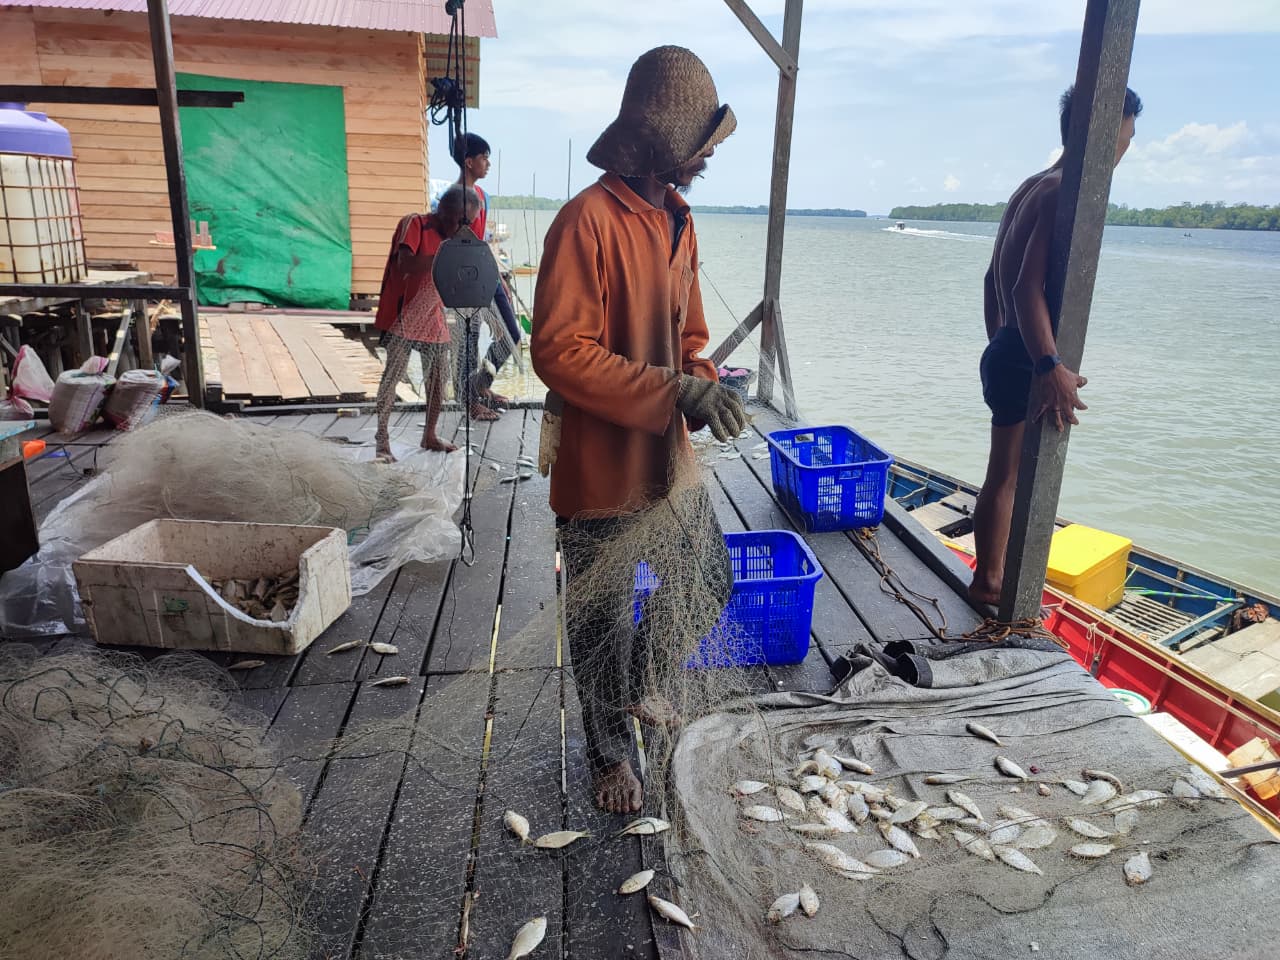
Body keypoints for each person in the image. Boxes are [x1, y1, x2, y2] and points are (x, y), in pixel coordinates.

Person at [531, 46, 748, 814]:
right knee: (598, 619)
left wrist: (708, 385)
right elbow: (559, 352)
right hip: (598, 467)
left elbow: (691, 338)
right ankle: (606, 756)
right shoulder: (585, 222)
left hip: (668, 457)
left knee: (711, 578)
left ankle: (639, 688)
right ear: (662, 144)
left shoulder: (680, 221)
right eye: (700, 147)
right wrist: (673, 389)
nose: (705, 160)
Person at [969, 85, 1142, 606]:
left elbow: (990, 279)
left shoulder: (1033, 184)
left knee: (1005, 473)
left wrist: (1002, 344)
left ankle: (993, 578)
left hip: (1007, 347)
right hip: (1025, 357)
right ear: (1106, 131)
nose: (1127, 147)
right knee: (1007, 477)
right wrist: (1045, 364)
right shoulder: (1066, 190)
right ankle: (991, 584)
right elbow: (1025, 286)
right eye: (1127, 135)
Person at [372, 184, 480, 461]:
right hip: (402, 315)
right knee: (393, 375)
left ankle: (429, 434)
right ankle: (382, 439)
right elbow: (405, 264)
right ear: (444, 212)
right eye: (460, 220)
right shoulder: (415, 224)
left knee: (438, 378)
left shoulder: (454, 240)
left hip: (432, 315)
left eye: (468, 223)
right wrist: (445, 258)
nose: (462, 227)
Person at [450, 132, 523, 421]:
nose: (488, 163)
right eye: (484, 158)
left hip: (487, 274)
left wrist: (498, 275)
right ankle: (468, 401)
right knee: (468, 339)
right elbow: (455, 244)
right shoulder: (457, 198)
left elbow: (480, 242)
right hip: (467, 279)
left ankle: (482, 385)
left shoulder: (480, 196)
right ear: (469, 162)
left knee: (512, 335)